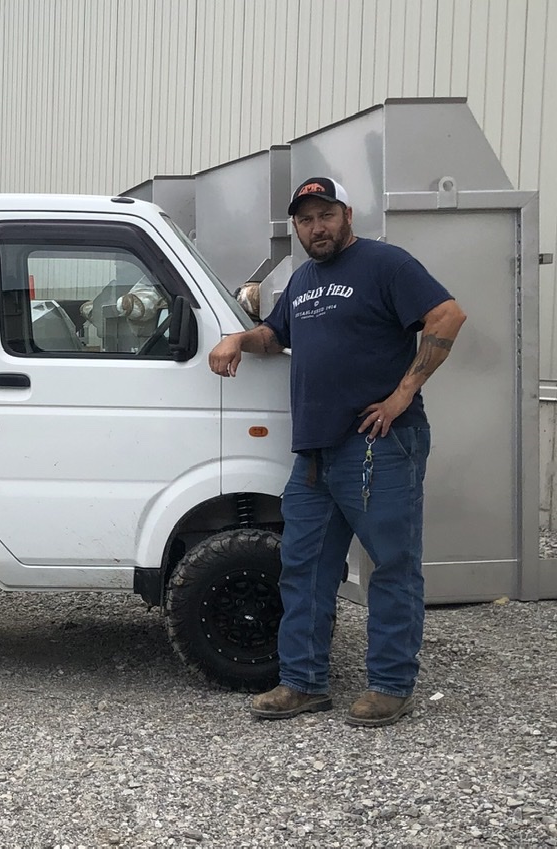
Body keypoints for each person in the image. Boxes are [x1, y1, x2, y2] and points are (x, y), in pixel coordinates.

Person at [208, 176, 467, 727]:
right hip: (315, 454)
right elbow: (274, 336)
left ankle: (391, 685)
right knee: (303, 567)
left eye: (325, 215)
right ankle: (303, 682)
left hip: (377, 446)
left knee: (392, 567)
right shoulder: (302, 281)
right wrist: (237, 339)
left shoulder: (385, 264)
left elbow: (448, 315)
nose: (316, 227)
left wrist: (402, 395)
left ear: (347, 215)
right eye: (305, 220)